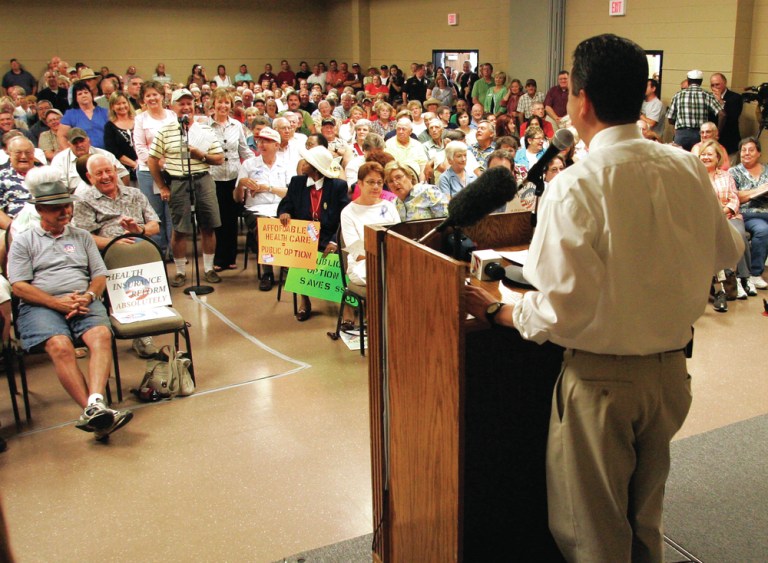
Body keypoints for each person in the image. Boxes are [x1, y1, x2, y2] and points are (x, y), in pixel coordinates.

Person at [465, 34, 744, 562]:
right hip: (669, 376)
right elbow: (728, 252)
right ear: (642, 93)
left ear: (582, 100)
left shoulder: (574, 186)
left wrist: (499, 309)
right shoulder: (685, 166)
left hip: (602, 383)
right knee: (643, 524)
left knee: (592, 536)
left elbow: (555, 310)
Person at [8, 166, 134, 441]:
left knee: (100, 335)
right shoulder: (24, 241)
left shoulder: (82, 237)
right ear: (40, 210)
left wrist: (88, 296)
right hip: (41, 306)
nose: (65, 212)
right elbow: (18, 286)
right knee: (60, 345)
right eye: (57, 209)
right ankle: (94, 410)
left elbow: (99, 274)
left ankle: (95, 405)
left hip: (82, 300)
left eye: (67, 206)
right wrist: (56, 303)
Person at [73, 154, 161, 356]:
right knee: (122, 259)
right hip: (105, 254)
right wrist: (114, 243)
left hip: (139, 247)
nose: (105, 176)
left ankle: (143, 331)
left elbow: (154, 226)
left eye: (108, 171)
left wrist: (138, 230)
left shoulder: (134, 194)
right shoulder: (84, 201)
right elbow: (85, 237)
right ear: (89, 177)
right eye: (99, 173)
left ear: (115, 170)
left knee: (143, 255)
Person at [147, 88, 225, 287]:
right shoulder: (165, 132)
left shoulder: (206, 130)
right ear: (173, 107)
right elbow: (153, 159)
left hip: (203, 180)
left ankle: (208, 268)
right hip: (178, 182)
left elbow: (219, 158)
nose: (186, 107)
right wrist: (162, 186)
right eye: (181, 103)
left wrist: (202, 156)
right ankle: (180, 271)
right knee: (179, 229)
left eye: (189, 103)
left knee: (209, 226)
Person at [277, 145, 349, 321]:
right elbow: (286, 203)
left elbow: (344, 217)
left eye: (307, 162)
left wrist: (334, 241)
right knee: (298, 254)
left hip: (329, 234)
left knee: (342, 258)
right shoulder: (297, 182)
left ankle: (346, 306)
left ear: (316, 167)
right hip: (305, 235)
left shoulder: (338, 186)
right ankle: (305, 300)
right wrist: (284, 212)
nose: (302, 164)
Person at [697, 140, 753, 303]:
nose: (706, 157)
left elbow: (734, 198)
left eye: (709, 154)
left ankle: (744, 278)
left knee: (739, 235)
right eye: (703, 154)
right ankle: (726, 279)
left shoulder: (726, 176)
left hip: (728, 215)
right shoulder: (695, 175)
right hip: (706, 219)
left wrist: (723, 211)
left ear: (717, 157)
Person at [236, 126, 290, 291]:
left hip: (280, 207)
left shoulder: (286, 164)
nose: (262, 144)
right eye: (260, 141)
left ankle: (288, 267)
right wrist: (241, 184)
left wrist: (267, 187)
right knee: (265, 228)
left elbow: (290, 193)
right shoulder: (249, 165)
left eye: (267, 141)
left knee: (292, 223)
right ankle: (268, 272)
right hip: (256, 210)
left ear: (277, 145)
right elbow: (237, 198)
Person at [208, 88, 253, 271]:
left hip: (234, 178)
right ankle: (219, 258)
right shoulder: (206, 126)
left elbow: (244, 150)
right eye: (220, 102)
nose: (223, 106)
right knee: (218, 219)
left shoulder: (237, 126)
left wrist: (256, 164)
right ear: (213, 104)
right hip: (214, 178)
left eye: (227, 103)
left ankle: (230, 256)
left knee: (232, 219)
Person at [133, 80, 178, 259]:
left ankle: (175, 252)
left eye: (155, 94)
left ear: (162, 96)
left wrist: (169, 164)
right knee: (154, 212)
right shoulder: (140, 119)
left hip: (172, 170)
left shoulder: (172, 116)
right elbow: (140, 147)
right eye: (148, 95)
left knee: (172, 212)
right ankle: (158, 252)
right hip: (147, 171)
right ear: (143, 99)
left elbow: (177, 141)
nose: (152, 98)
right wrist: (158, 164)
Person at [340, 161, 400, 287]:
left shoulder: (389, 206)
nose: (376, 187)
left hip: (391, 260)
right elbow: (356, 252)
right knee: (386, 280)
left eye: (379, 182)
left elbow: (399, 239)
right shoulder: (348, 212)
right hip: (363, 265)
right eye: (371, 182)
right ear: (360, 184)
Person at [729, 137, 768, 290]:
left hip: (763, 215)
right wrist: (757, 191)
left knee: (763, 229)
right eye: (743, 150)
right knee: (763, 229)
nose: (746, 153)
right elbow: (735, 196)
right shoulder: (733, 172)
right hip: (746, 213)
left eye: (751, 150)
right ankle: (755, 274)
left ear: (759, 153)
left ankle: (755, 273)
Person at [666, 69, 724, 151]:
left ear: (688, 80)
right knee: (698, 158)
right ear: (701, 81)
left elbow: (670, 118)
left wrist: (678, 123)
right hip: (700, 134)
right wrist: (718, 131)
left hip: (681, 134)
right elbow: (722, 114)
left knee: (679, 160)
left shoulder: (678, 95)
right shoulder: (707, 95)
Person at [57, 81, 109, 150]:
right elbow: (61, 136)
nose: (84, 95)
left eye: (86, 92)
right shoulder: (70, 114)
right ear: (76, 98)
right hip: (82, 155)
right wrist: (70, 153)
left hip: (106, 153)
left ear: (91, 94)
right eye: (79, 94)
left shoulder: (105, 112)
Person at [103, 92, 138, 183]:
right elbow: (113, 151)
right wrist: (134, 164)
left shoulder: (139, 120)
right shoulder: (109, 126)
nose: (122, 106)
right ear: (112, 107)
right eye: (118, 104)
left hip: (144, 166)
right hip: (124, 171)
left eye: (124, 102)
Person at [709, 73, 743, 156]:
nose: (715, 87)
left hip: (729, 140)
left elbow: (733, 118)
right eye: (712, 85)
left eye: (717, 84)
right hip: (713, 141)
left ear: (725, 83)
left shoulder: (735, 97)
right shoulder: (709, 98)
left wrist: (720, 102)